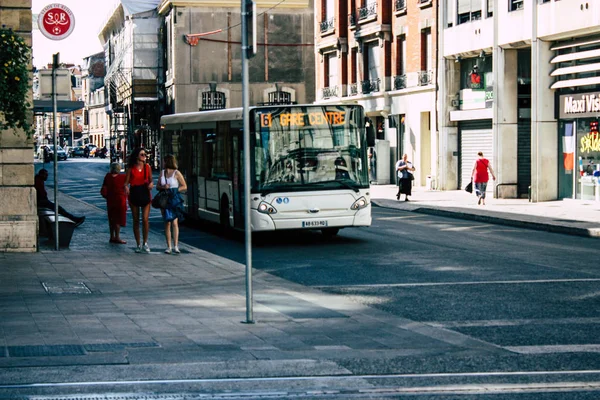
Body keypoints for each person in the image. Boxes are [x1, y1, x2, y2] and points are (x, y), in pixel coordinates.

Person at [156, 154, 187, 254]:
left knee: (174, 222)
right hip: (165, 200)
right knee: (167, 222)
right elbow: (157, 186)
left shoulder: (176, 173)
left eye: (164, 161)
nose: (163, 163)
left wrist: (175, 190)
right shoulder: (162, 173)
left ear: (167, 162)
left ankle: (176, 246)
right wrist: (163, 187)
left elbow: (184, 186)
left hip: (174, 199)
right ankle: (169, 246)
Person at [124, 148, 154, 253]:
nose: (144, 156)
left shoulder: (147, 167)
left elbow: (151, 181)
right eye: (142, 154)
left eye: (145, 154)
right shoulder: (131, 169)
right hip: (134, 193)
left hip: (145, 193)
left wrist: (151, 185)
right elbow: (126, 182)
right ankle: (138, 244)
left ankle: (145, 243)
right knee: (136, 220)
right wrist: (126, 187)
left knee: (145, 219)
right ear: (137, 156)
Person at [101, 162, 127, 244]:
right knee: (118, 219)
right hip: (119, 200)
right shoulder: (122, 177)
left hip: (110, 199)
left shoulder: (108, 176)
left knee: (111, 218)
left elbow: (104, 186)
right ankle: (117, 237)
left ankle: (112, 236)